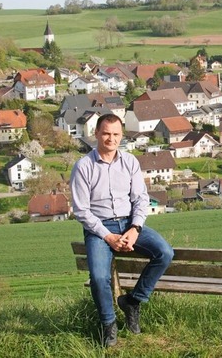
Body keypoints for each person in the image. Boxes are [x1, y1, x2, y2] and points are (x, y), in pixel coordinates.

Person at [70, 113, 174, 347]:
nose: (111, 138)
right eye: (106, 133)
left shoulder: (130, 162)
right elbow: (81, 210)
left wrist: (135, 228)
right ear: (96, 133)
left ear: (122, 136)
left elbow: (140, 199)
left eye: (116, 134)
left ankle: (133, 301)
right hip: (99, 228)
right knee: (98, 278)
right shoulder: (83, 167)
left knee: (165, 253)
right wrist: (108, 236)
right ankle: (109, 325)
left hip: (129, 223)